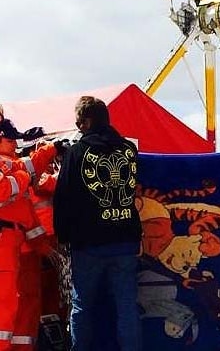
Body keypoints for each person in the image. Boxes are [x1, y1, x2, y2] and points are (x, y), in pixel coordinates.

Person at [53, 96, 142, 351]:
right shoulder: (128, 150)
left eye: (79, 121)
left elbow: (63, 198)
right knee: (127, 305)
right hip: (125, 240)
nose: (77, 126)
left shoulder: (76, 153)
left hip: (88, 243)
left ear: (87, 121)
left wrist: (63, 236)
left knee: (82, 306)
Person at [0, 115, 59, 351]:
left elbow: (30, 166)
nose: (16, 144)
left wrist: (53, 147)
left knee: (20, 306)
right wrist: (23, 179)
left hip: (18, 244)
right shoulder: (7, 164)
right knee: (6, 305)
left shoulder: (9, 163)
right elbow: (8, 187)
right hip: (7, 243)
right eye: (12, 139)